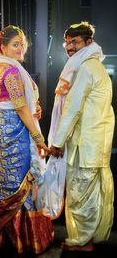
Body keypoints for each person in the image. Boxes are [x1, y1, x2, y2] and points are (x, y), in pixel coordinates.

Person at [0, 25, 54, 255]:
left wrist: (34, 107)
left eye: (22, 44)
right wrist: (39, 139)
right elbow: (21, 110)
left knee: (3, 182)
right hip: (14, 136)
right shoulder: (12, 71)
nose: (21, 48)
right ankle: (21, 240)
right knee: (20, 182)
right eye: (15, 44)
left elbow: (20, 104)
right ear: (3, 47)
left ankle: (3, 238)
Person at [49, 21, 115, 251]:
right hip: (95, 142)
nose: (69, 48)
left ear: (89, 42)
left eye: (75, 42)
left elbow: (73, 108)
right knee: (93, 193)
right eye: (67, 43)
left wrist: (57, 142)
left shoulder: (86, 67)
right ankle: (90, 237)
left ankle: (82, 241)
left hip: (85, 144)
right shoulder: (95, 66)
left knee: (80, 193)